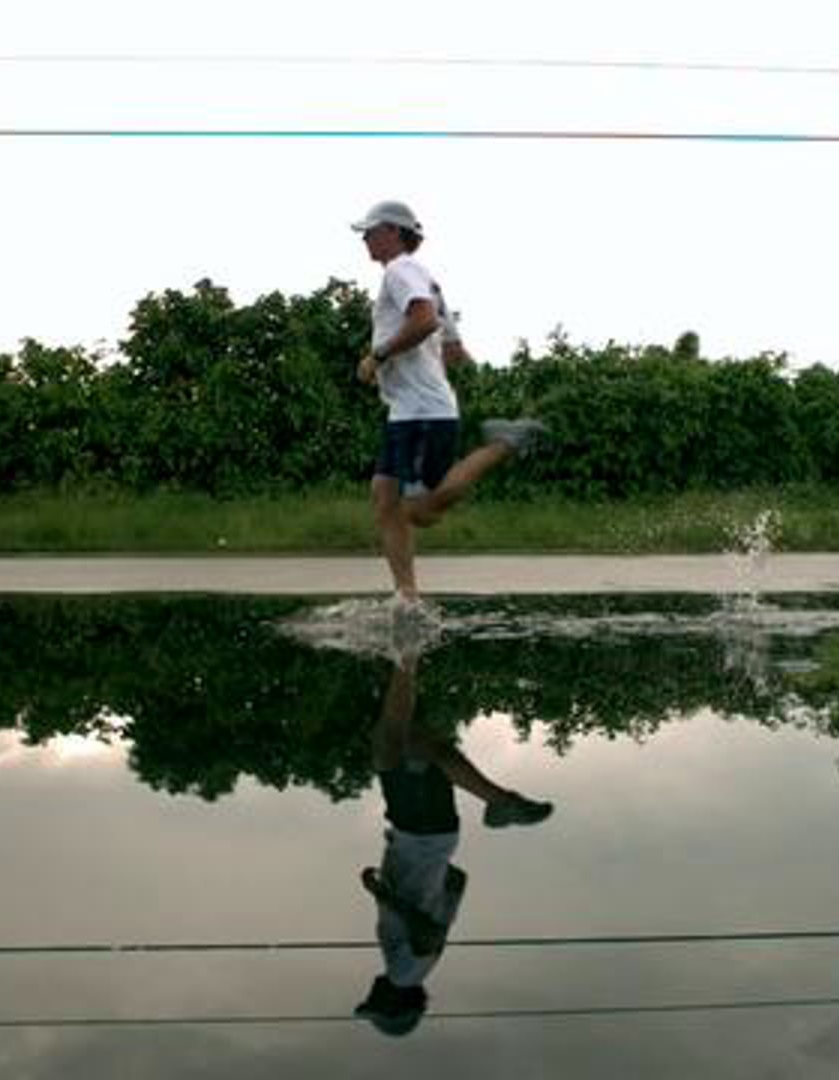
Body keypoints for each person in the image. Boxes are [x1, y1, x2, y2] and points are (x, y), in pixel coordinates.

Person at [352, 200, 547, 607]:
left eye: (369, 232)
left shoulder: (400, 270)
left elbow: (424, 322)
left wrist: (379, 356)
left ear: (392, 231)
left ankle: (503, 443)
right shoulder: (426, 280)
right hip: (408, 408)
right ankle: (407, 599)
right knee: (384, 497)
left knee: (419, 510)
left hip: (423, 411)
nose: (365, 239)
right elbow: (455, 349)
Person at [354, 647, 552, 1036]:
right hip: (420, 835)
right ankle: (501, 802)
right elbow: (426, 935)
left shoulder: (425, 963)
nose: (369, 997)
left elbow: (458, 881)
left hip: (430, 838)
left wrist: (415, 871)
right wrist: (382, 891)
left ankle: (402, 658)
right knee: (414, 747)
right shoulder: (405, 974)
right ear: (394, 1006)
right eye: (374, 1006)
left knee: (395, 741)